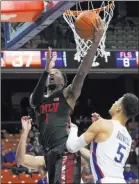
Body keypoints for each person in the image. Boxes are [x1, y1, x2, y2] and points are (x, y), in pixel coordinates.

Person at [29, 19, 104, 183]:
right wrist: (45, 70)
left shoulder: (67, 94)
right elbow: (34, 101)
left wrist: (95, 43)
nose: (51, 74)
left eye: (55, 72)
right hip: (49, 153)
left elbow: (82, 73)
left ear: (62, 81)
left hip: (64, 150)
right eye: (50, 73)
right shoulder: (40, 100)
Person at [66, 93, 139, 183]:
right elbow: (97, 158)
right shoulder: (128, 137)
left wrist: (73, 128)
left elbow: (71, 147)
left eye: (117, 101)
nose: (114, 102)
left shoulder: (103, 124)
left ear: (119, 108)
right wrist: (99, 128)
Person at [16, 116, 90, 183]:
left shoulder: (77, 156)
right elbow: (20, 159)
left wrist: (73, 143)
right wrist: (25, 132)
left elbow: (94, 159)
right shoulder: (46, 160)